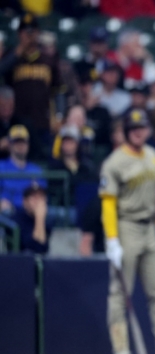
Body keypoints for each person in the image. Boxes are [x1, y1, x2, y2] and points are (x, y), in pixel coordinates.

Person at [99, 108, 155, 354]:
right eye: (133, 129)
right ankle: (121, 351)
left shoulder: (152, 155)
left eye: (142, 127)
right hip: (126, 225)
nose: (138, 132)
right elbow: (108, 203)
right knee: (120, 293)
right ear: (126, 132)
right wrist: (111, 239)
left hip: (149, 227)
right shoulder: (114, 162)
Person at [0, 13, 63, 143]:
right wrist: (18, 51)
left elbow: (58, 91)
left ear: (38, 33)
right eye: (25, 31)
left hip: (43, 121)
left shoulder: (48, 60)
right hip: (17, 122)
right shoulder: (11, 58)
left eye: (32, 31)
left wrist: (58, 116)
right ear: (19, 34)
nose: (29, 35)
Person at [0, 125, 46, 212]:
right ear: (9, 144)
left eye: (23, 142)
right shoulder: (1, 167)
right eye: (17, 142)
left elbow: (42, 197)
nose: (20, 145)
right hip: (7, 215)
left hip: (31, 214)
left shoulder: (36, 170)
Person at [49, 125, 97, 204]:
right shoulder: (55, 166)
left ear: (77, 144)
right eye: (65, 141)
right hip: (62, 206)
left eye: (71, 141)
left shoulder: (85, 167)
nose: (68, 145)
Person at [13, 184, 50, 254]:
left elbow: (42, 249)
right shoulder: (16, 220)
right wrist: (39, 218)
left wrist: (40, 218)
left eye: (41, 197)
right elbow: (31, 248)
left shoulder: (47, 221)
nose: (38, 202)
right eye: (34, 197)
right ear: (25, 201)